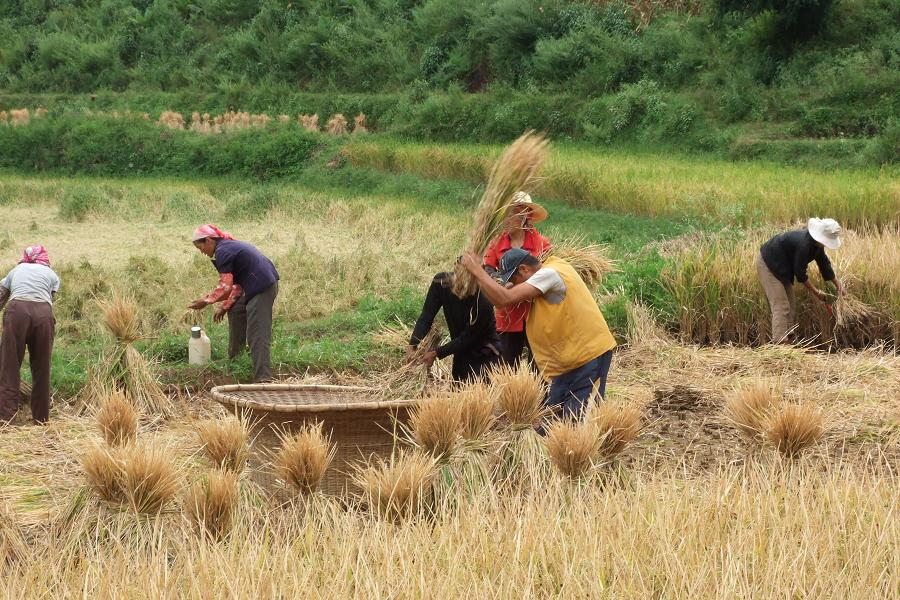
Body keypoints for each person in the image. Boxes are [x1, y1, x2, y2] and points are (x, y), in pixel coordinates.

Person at [460, 247, 616, 422]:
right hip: (566, 366)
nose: (514, 285)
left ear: (524, 269)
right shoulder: (542, 280)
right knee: (550, 425)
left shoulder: (550, 273)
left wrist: (477, 270)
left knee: (578, 425)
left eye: (514, 280)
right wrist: (477, 275)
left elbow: (504, 298)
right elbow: (499, 302)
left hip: (588, 358)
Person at [188, 224, 279, 382]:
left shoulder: (223, 251)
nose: (201, 252)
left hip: (262, 287)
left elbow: (225, 288)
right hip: (253, 285)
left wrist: (206, 301)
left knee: (257, 334)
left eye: (200, 247)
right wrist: (224, 306)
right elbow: (236, 286)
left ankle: (263, 379)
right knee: (236, 309)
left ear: (208, 240)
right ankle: (236, 364)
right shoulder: (225, 248)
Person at [482, 192, 551, 365]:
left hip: (537, 314)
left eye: (510, 214)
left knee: (540, 368)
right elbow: (488, 268)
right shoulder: (497, 243)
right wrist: (501, 282)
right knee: (505, 367)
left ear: (524, 215)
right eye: (503, 215)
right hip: (508, 315)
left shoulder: (542, 243)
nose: (504, 220)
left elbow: (551, 272)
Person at [757, 218, 843, 344]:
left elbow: (824, 264)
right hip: (768, 264)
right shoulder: (804, 244)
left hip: (782, 267)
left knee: (791, 305)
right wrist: (816, 292)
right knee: (781, 305)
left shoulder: (816, 245)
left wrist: (838, 285)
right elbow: (800, 274)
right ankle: (780, 345)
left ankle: (789, 342)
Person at [0, 246, 60, 425]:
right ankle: (41, 419)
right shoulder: (52, 275)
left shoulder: (16, 270)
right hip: (43, 315)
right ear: (44, 258)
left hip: (17, 313)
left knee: (9, 366)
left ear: (25, 257)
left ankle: (5, 419)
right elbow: (49, 297)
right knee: (42, 367)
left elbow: (1, 295)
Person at [407, 272, 500, 383]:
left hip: (484, 352)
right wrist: (413, 344)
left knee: (481, 391)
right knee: (459, 387)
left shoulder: (483, 299)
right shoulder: (441, 283)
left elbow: (467, 338)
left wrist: (436, 353)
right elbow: (427, 314)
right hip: (460, 351)